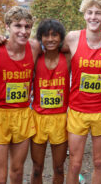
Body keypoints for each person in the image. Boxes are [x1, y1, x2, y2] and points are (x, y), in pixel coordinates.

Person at [62, 0, 101, 184]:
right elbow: (51, 51)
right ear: (84, 15)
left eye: (98, 13)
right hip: (78, 110)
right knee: (75, 164)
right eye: (90, 12)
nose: (93, 17)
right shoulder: (72, 37)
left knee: (99, 161)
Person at [0, 6, 41, 184]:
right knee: (0, 176)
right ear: (7, 26)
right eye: (18, 26)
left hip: (23, 114)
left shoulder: (34, 47)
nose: (23, 31)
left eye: (27, 27)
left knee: (17, 172)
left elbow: (61, 45)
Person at [30, 19, 70, 184]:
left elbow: (89, 46)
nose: (51, 39)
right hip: (38, 118)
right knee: (37, 168)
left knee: (59, 168)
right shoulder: (35, 57)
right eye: (46, 35)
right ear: (41, 38)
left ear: (61, 38)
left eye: (55, 35)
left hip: (60, 119)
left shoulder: (68, 57)